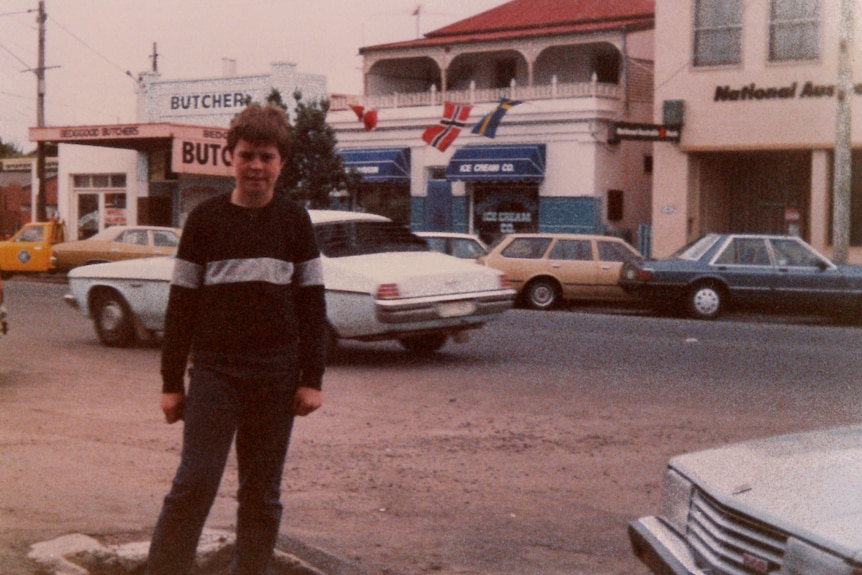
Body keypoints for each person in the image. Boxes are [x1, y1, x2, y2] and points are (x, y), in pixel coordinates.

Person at [146, 103, 327, 575]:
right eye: (247, 155)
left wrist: (312, 379)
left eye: (266, 157)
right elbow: (180, 306)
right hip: (215, 373)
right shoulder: (204, 220)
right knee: (195, 483)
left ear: (280, 163)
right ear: (231, 157)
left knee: (262, 494)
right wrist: (171, 383)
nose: (256, 166)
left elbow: (312, 307)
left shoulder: (295, 222)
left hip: (277, 375)